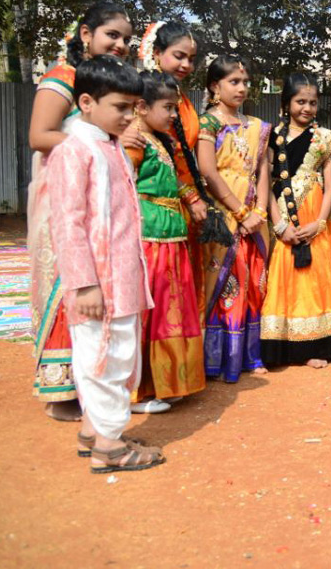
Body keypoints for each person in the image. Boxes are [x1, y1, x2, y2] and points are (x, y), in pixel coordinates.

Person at [47, 55, 165, 472]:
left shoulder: (110, 147)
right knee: (104, 360)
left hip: (121, 277)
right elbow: (67, 223)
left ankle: (95, 432)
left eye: (133, 107)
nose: (129, 116)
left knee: (116, 354)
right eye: (120, 107)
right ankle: (110, 449)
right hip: (98, 284)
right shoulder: (74, 151)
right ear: (86, 102)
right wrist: (85, 284)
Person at [27, 2, 143, 422]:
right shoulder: (64, 78)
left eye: (127, 39)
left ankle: (94, 385)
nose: (120, 45)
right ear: (85, 34)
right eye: (112, 35)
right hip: (65, 189)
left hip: (102, 188)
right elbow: (40, 136)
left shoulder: (112, 88)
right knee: (71, 281)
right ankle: (63, 388)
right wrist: (93, 148)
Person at [125, 71, 206, 412]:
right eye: (168, 108)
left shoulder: (164, 142)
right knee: (153, 311)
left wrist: (192, 200)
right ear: (141, 107)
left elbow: (176, 181)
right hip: (150, 237)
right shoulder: (134, 142)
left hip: (172, 237)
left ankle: (169, 383)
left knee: (173, 309)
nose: (175, 115)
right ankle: (141, 390)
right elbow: (124, 187)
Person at [197, 56, 272, 382]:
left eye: (245, 82)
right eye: (233, 82)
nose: (242, 88)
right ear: (215, 86)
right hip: (223, 220)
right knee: (225, 285)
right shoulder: (208, 125)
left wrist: (260, 212)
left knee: (254, 285)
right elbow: (208, 172)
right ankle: (218, 360)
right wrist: (240, 212)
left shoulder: (257, 126)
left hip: (254, 220)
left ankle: (249, 357)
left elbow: (263, 171)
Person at [259, 73, 331, 367]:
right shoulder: (272, 136)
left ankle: (317, 346)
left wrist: (320, 222)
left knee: (317, 280)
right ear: (285, 103)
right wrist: (279, 225)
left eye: (313, 103)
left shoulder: (324, 137)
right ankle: (289, 348)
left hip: (314, 219)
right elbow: (265, 183)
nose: (307, 108)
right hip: (285, 221)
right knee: (286, 277)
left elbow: (330, 184)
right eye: (300, 101)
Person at [138, 21, 223, 299]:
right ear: (158, 52)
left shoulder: (181, 100)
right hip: (153, 206)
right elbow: (159, 157)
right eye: (179, 55)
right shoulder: (144, 96)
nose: (187, 64)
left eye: (191, 58)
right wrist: (189, 196)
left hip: (184, 205)